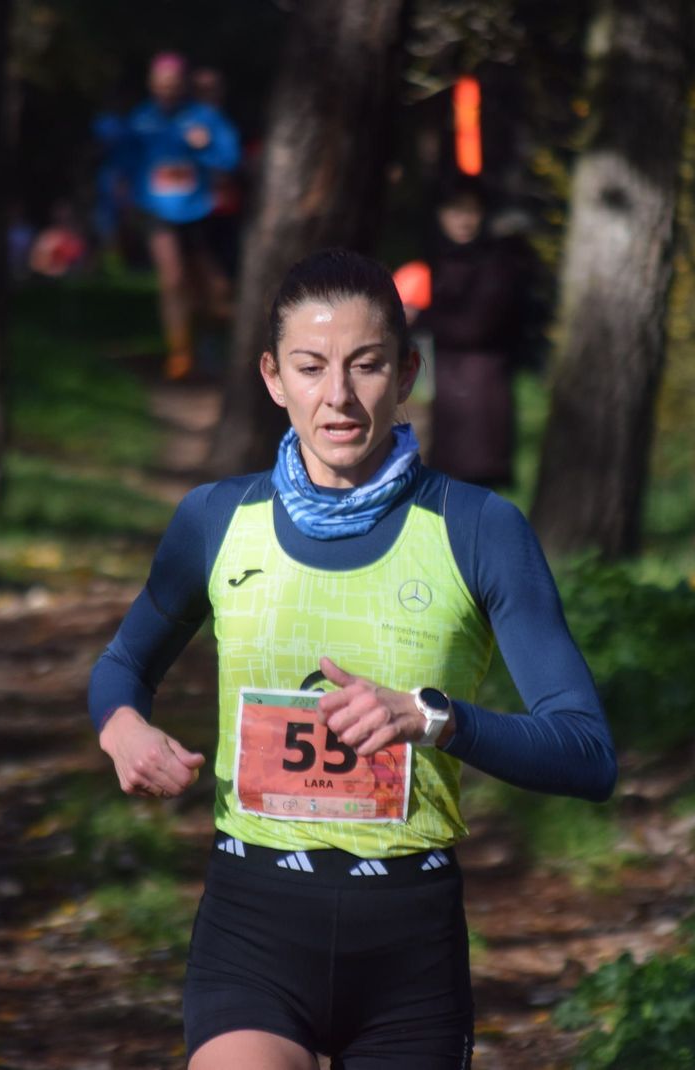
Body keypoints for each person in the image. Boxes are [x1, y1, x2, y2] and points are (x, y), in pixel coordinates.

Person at [89, 249, 616, 1068]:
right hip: (252, 927)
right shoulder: (215, 520)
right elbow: (124, 664)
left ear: (406, 373)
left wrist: (435, 719)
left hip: (409, 947)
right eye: (311, 367)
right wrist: (122, 728)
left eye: (366, 366)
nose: (337, 396)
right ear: (273, 378)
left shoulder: (479, 529)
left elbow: (587, 753)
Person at [95, 52, 240, 380]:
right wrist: (119, 193)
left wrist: (204, 146)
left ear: (183, 84)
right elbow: (122, 163)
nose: (167, 90)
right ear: (151, 84)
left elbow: (230, 159)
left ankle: (210, 340)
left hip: (199, 211)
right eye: (161, 84)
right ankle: (179, 351)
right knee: (172, 278)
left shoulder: (204, 118)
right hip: (156, 210)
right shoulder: (140, 120)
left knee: (213, 290)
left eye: (173, 83)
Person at [413, 177, 529, 488]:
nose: (463, 220)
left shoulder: (498, 264)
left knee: (473, 484)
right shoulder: (436, 260)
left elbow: (476, 327)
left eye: (471, 211)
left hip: (481, 396)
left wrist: (421, 317)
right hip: (448, 395)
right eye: (455, 211)